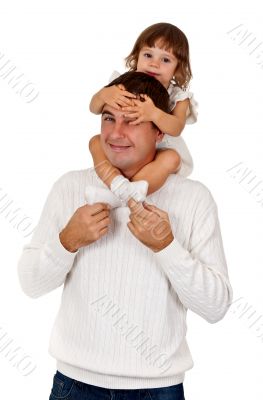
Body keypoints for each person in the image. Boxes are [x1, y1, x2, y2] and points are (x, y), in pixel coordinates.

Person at [17, 71, 232, 400]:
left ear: (160, 131)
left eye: (131, 121)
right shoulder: (69, 187)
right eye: (108, 118)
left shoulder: (193, 199)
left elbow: (216, 307)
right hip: (74, 386)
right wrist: (67, 241)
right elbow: (30, 284)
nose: (115, 133)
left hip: (157, 390)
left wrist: (167, 247)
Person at [88, 22, 198, 203]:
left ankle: (119, 198)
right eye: (148, 55)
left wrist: (154, 113)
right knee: (94, 142)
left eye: (165, 60)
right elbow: (94, 108)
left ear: (177, 69)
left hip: (163, 148)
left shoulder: (179, 96)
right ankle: (115, 183)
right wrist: (103, 95)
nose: (154, 64)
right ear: (136, 57)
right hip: (126, 146)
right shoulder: (122, 82)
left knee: (170, 158)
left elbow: (177, 127)